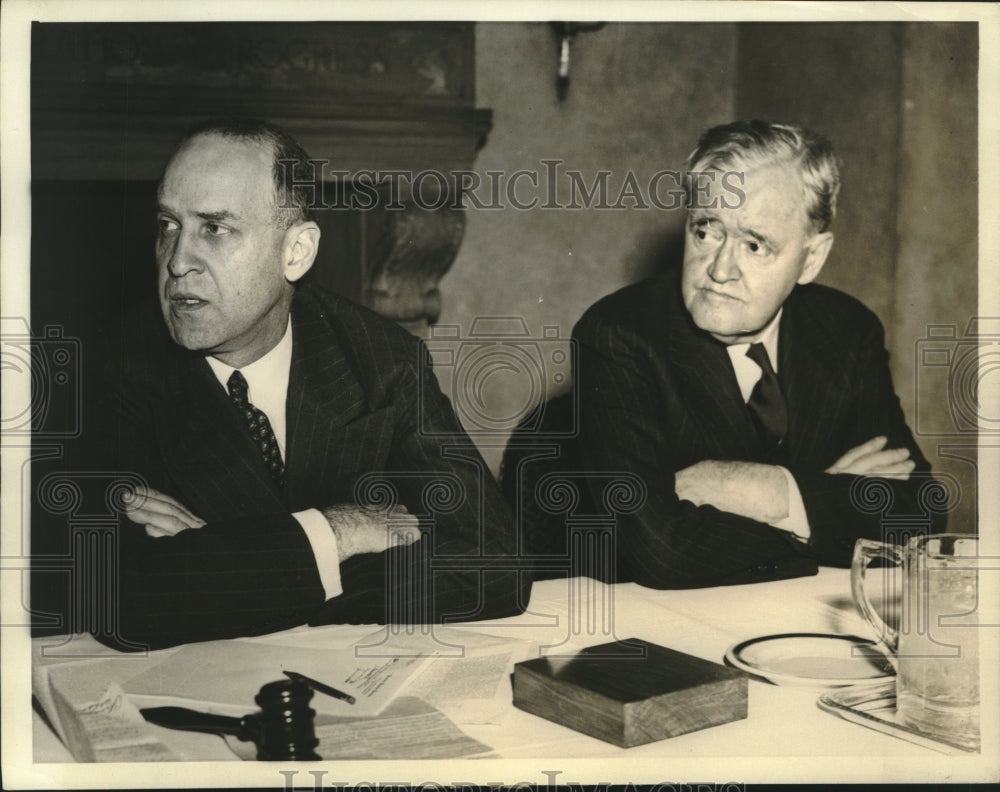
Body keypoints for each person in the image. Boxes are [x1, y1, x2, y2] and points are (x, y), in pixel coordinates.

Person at [48, 118, 527, 649]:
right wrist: (337, 534)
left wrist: (230, 564)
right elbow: (117, 600)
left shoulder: (382, 358)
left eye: (215, 228)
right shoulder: (107, 369)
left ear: (295, 252)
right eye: (167, 225)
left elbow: (494, 563)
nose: (178, 261)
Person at [572, 120, 942, 588]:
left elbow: (919, 514)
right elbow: (658, 552)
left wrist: (764, 492)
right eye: (706, 231)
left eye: (754, 244)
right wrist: (821, 500)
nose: (720, 269)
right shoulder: (619, 336)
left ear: (811, 259)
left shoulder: (846, 330)